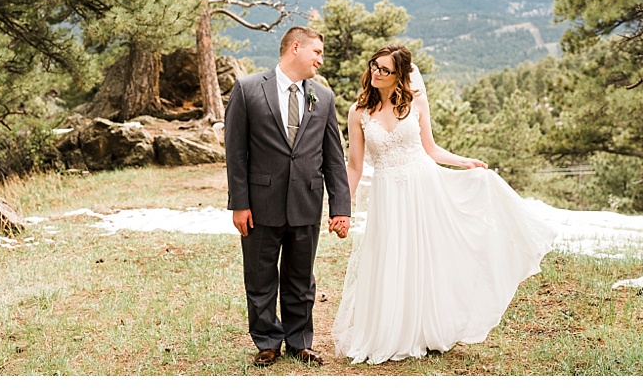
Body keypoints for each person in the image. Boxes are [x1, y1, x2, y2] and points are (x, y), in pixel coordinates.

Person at [331, 44, 559, 365]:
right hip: (387, 193)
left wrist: (464, 161)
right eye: (374, 66)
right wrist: (343, 207)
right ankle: (388, 330)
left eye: (385, 69)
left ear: (400, 75)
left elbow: (432, 149)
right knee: (389, 254)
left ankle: (424, 328)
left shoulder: (416, 102)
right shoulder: (359, 112)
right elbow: (354, 166)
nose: (376, 73)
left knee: (423, 255)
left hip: (423, 185)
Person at [224, 25, 353, 367]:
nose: (320, 61)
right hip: (260, 204)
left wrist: (341, 208)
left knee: (301, 278)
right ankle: (267, 341)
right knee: (260, 276)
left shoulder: (323, 97)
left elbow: (333, 157)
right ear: (295, 48)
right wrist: (239, 203)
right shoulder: (248, 89)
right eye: (317, 53)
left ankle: (299, 341)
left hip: (306, 203)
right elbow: (235, 153)